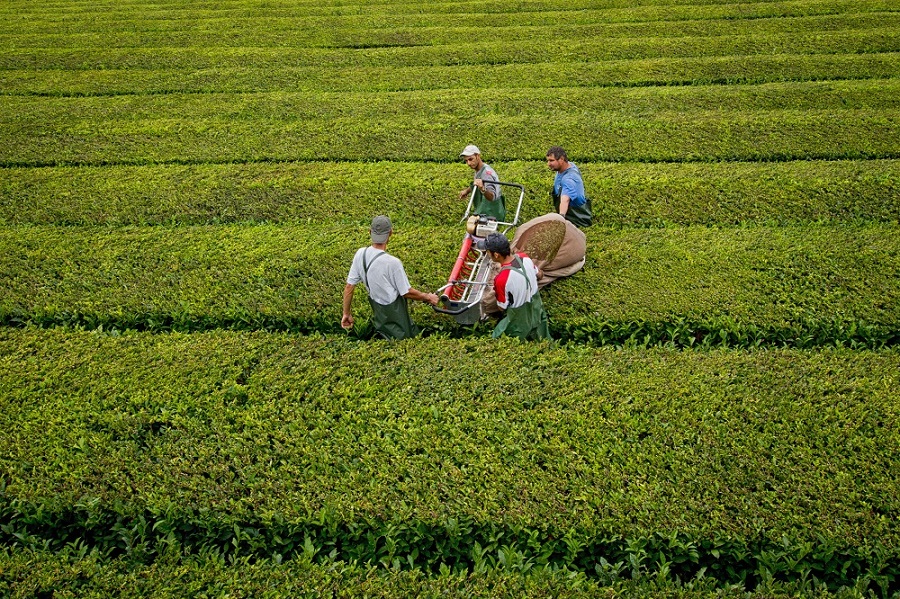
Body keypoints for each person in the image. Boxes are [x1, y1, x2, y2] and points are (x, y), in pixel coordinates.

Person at [342, 215, 439, 340]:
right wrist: (428, 297)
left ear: (370, 232)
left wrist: (346, 313)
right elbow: (406, 292)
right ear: (391, 233)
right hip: (397, 320)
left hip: (379, 320)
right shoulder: (393, 262)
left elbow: (349, 287)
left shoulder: (360, 254)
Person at [483, 233, 551, 340]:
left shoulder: (501, 279)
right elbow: (540, 274)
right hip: (537, 310)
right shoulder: (524, 257)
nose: (487, 254)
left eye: (487, 252)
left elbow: (502, 307)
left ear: (496, 255)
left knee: (497, 337)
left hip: (519, 320)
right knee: (544, 340)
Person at [546, 146, 592, 227]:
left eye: (551, 161)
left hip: (576, 220)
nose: (548, 164)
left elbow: (565, 200)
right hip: (569, 216)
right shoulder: (567, 166)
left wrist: (561, 219)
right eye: (548, 160)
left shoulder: (569, 179)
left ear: (561, 159)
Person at [459, 145, 505, 221]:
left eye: (471, 159)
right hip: (484, 212)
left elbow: (492, 197)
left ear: (478, 156)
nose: (468, 163)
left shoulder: (487, 173)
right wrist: (467, 191)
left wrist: (482, 189)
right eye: (466, 161)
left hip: (492, 213)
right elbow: (477, 184)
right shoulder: (479, 170)